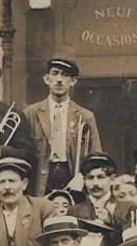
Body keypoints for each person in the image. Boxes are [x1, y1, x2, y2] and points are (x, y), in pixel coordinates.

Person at [24, 57, 102, 194]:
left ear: (73, 82)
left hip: (72, 177)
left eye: (65, 75)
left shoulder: (85, 116)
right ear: (47, 79)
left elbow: (96, 156)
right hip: (39, 181)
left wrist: (82, 177)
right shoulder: (31, 113)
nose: (59, 79)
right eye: (55, 73)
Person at [71, 153, 118, 226]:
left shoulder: (126, 208)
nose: (95, 183)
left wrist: (111, 222)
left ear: (112, 179)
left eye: (100, 177)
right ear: (84, 180)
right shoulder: (74, 211)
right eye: (90, 178)